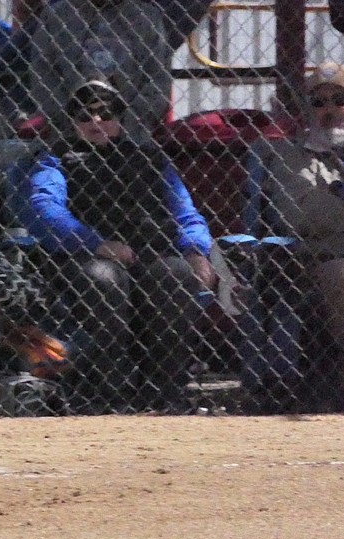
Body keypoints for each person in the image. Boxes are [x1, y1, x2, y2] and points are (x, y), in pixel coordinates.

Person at [21, 78, 215, 411]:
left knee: (176, 275)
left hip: (149, 251)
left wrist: (196, 249)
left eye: (105, 112)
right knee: (104, 279)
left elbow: (185, 211)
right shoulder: (54, 161)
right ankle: (105, 394)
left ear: (120, 116)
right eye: (84, 114)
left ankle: (165, 394)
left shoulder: (150, 160)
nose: (96, 121)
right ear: (70, 121)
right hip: (83, 255)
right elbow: (43, 209)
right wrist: (95, 243)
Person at [264, 63, 344, 413]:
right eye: (319, 102)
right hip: (321, 262)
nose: (330, 110)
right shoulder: (292, 154)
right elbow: (303, 215)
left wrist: (341, 204)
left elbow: (325, 209)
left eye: (340, 99)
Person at [26, 0, 172, 146]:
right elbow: (42, 73)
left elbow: (159, 77)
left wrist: (127, 121)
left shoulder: (146, 18)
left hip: (131, 136)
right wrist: (71, 119)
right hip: (68, 133)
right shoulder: (60, 15)